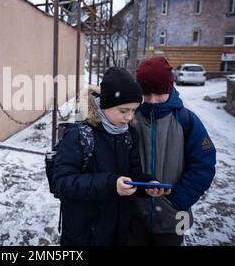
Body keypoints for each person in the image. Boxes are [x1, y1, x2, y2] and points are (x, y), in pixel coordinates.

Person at [53, 67, 166, 246]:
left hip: (117, 229)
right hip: (84, 233)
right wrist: (111, 185)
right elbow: (63, 182)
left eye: (134, 110)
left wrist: (147, 185)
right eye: (123, 110)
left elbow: (133, 174)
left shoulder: (129, 135)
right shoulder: (79, 135)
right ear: (105, 104)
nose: (129, 117)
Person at [130, 57, 216, 246]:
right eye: (146, 93)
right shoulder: (130, 119)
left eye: (159, 93)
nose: (152, 100)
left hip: (174, 218)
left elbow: (204, 165)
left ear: (169, 87)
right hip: (135, 217)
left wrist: (177, 201)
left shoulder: (187, 121)